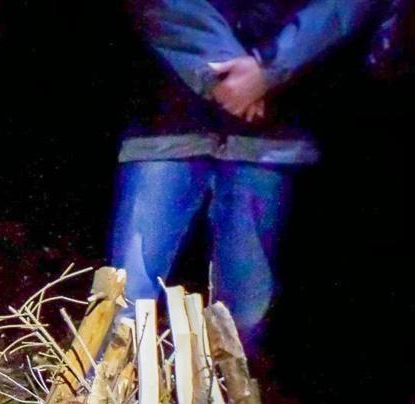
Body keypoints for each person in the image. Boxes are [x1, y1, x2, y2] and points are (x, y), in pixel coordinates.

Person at [111, 0, 381, 352]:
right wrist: (230, 73)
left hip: (272, 130)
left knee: (243, 319)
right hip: (167, 121)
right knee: (125, 302)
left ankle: (226, 390)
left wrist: (270, 67)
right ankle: (106, 387)